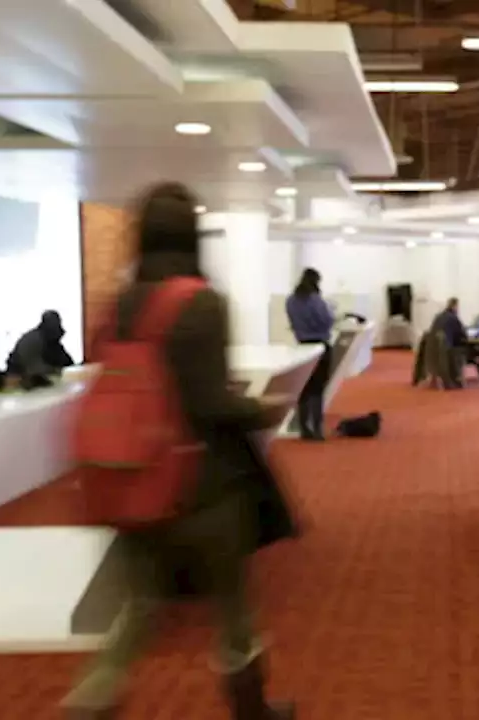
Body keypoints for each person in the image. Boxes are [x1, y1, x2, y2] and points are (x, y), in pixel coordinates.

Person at [61, 181, 298, 720]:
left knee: (139, 607)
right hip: (203, 485)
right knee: (233, 607)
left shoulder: (118, 305)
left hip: (130, 475)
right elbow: (209, 402)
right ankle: (252, 710)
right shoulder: (201, 301)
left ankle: (88, 702)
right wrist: (259, 410)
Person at [284, 268, 335, 441]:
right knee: (318, 389)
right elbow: (327, 321)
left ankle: (304, 428)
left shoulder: (291, 300)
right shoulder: (316, 300)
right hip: (320, 345)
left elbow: (292, 321)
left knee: (304, 389)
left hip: (301, 346)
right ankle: (317, 428)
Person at [6, 310, 75, 389]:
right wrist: (58, 371)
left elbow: (67, 361)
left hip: (43, 383)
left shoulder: (52, 340)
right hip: (20, 382)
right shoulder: (32, 339)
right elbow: (34, 368)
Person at [429, 297, 467, 389]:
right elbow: (462, 334)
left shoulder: (438, 316)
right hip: (445, 349)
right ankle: (457, 378)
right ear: (455, 306)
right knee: (460, 352)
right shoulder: (453, 318)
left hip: (432, 348)